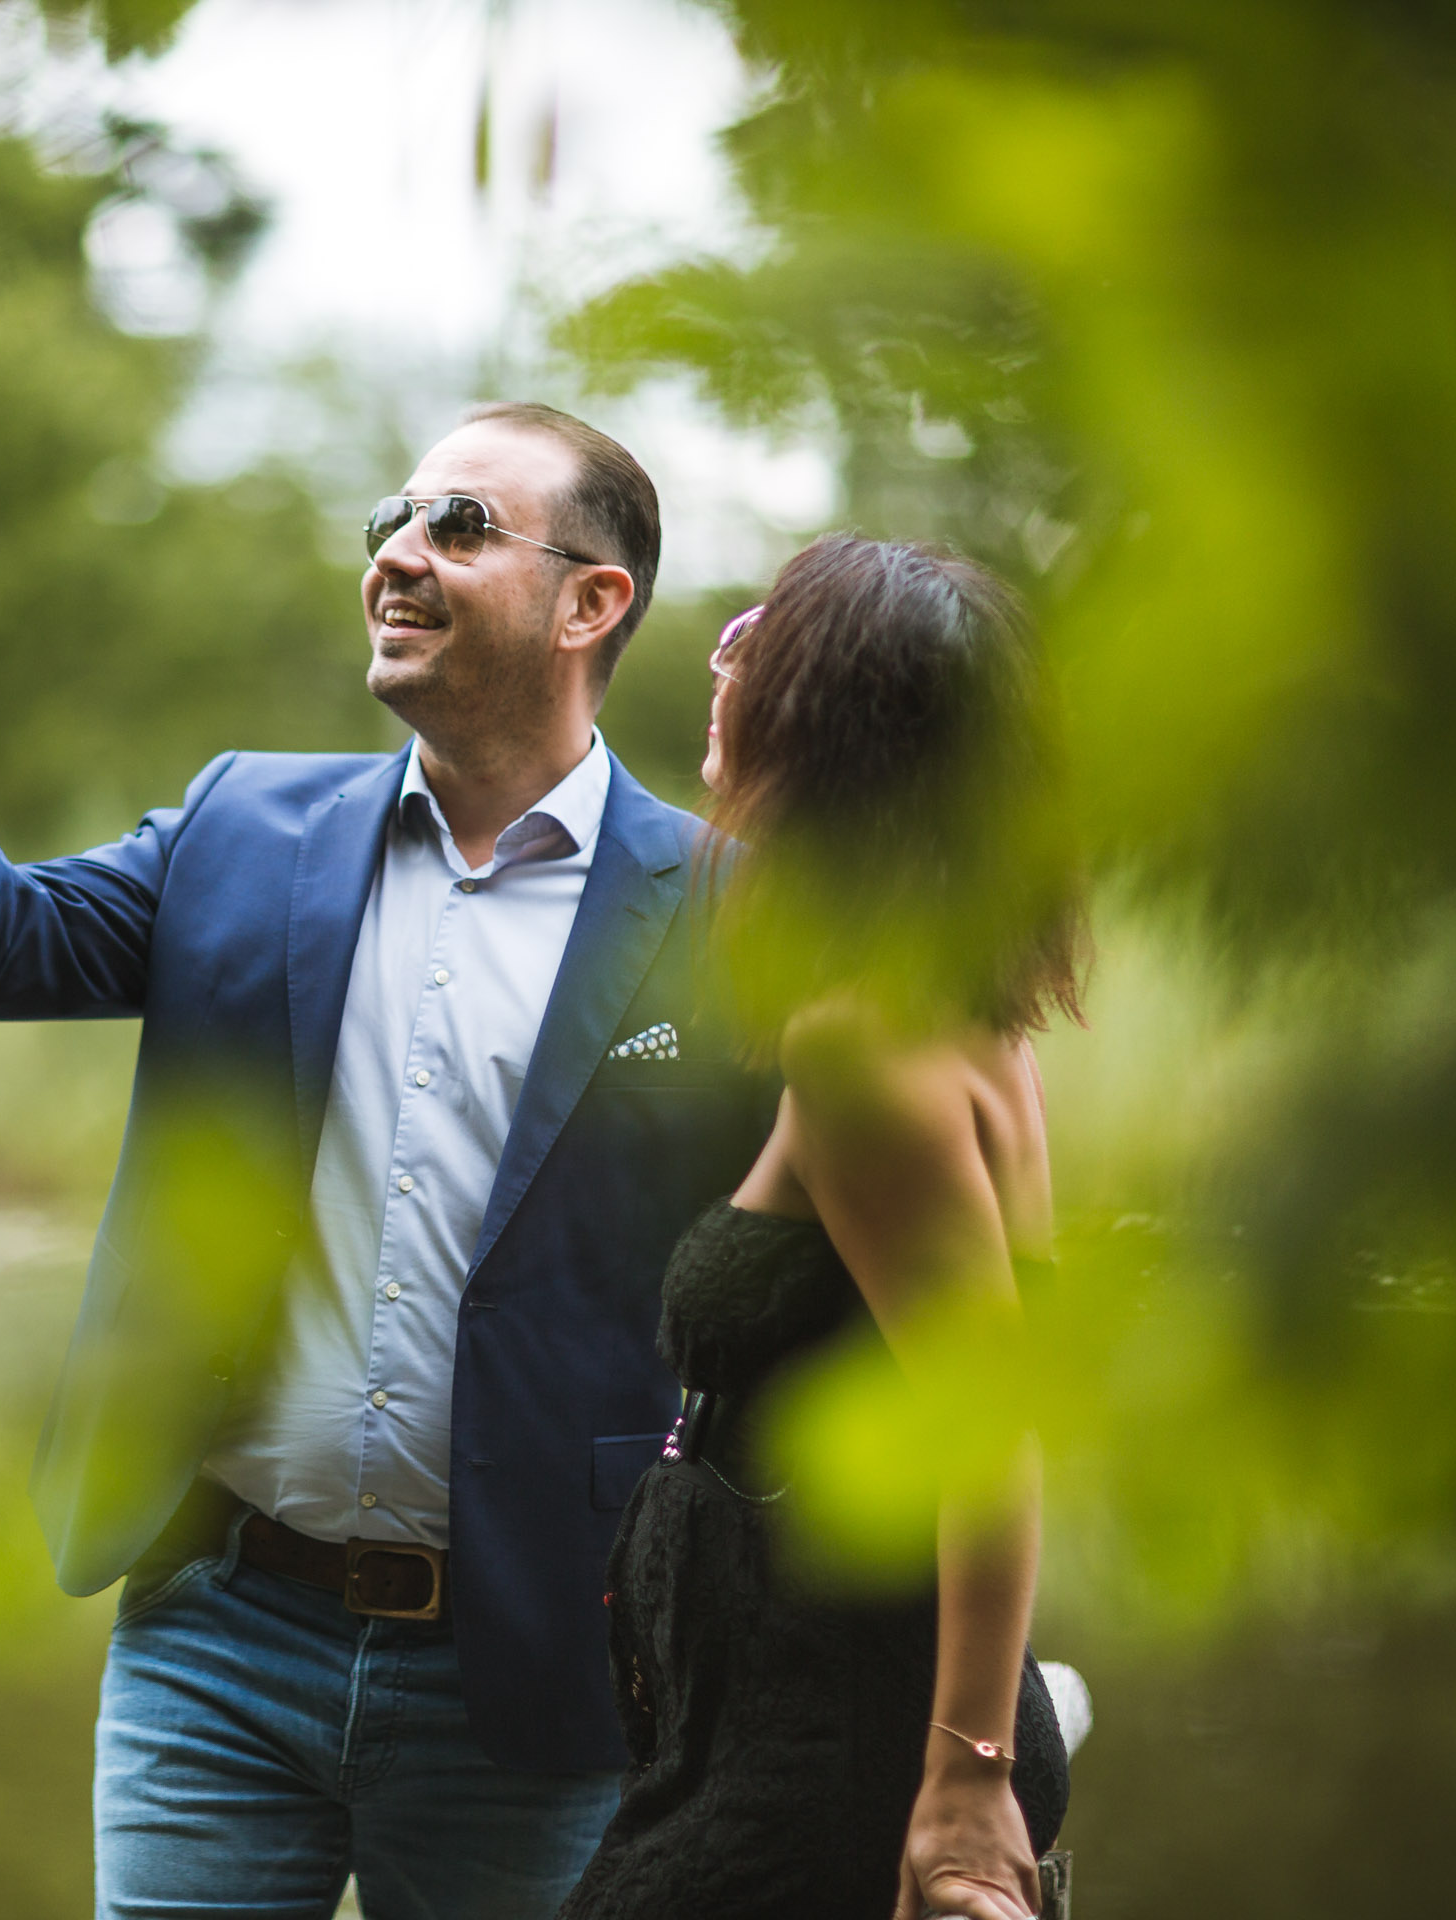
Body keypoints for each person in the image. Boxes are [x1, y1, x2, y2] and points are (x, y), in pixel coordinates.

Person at [0, 405, 773, 1918]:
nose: (399, 553)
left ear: (593, 601)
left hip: (552, 1665)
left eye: (461, 526)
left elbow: (817, 1293)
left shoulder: (726, 910)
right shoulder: (245, 823)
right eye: (395, 517)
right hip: (218, 1641)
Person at [557, 535, 1084, 1920]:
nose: (722, 662)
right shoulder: (937, 1007)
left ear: (830, 724)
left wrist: (966, 1785)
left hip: (845, 1743)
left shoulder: (865, 1041)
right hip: (804, 1718)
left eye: (757, 640)